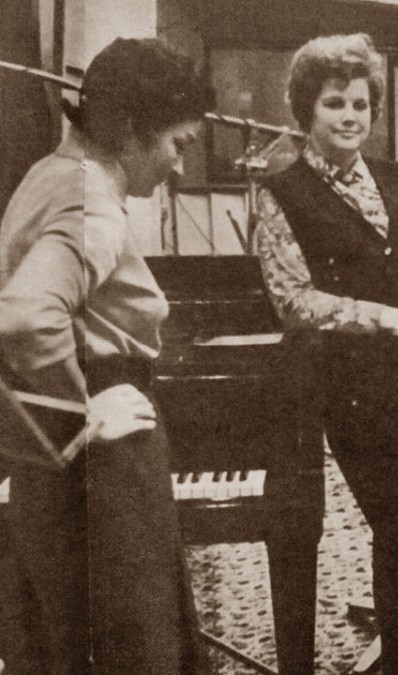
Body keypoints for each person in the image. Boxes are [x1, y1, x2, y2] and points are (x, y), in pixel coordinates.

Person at [255, 33, 398, 675]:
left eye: (360, 104)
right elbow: (294, 301)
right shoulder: (281, 193)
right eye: (334, 103)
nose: (350, 116)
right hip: (359, 398)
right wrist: (388, 319)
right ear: (306, 110)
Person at [0, 38, 214, 674]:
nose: (179, 166)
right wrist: (79, 418)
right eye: (177, 144)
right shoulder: (94, 200)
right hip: (106, 468)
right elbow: (26, 317)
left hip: (54, 467)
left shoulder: (50, 173)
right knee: (137, 647)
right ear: (128, 130)